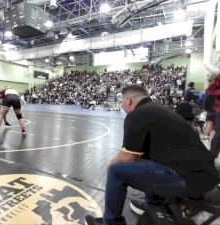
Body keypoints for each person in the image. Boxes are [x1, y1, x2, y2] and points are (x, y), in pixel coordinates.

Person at [85, 85, 219, 225]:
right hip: (207, 176)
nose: (122, 104)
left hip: (190, 180)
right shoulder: (160, 110)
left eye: (122, 101)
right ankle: (154, 205)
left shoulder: (137, 115)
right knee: (148, 160)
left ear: (129, 100)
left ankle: (111, 222)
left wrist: (111, 161)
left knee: (115, 170)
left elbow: (127, 157)